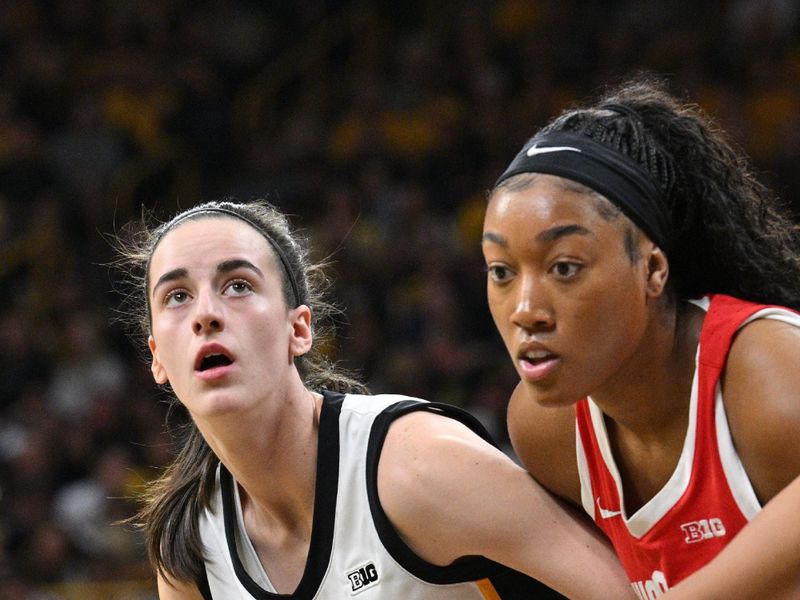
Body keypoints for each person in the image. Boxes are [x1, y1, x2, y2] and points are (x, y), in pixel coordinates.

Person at [114, 199, 633, 599]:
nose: (205, 313)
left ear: (299, 330)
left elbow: (631, 589)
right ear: (157, 357)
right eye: (177, 296)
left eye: (238, 285)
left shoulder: (416, 467)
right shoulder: (188, 544)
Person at [481, 76, 800, 599]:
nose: (526, 311)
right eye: (501, 272)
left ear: (652, 269)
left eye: (564, 268)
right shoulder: (548, 432)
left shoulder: (764, 366)